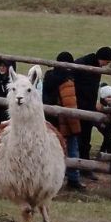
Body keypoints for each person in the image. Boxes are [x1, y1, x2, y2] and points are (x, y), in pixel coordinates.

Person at [43, 51, 85, 191]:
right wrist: (76, 127)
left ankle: (49, 178)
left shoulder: (48, 76)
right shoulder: (67, 81)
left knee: (50, 150)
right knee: (72, 149)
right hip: (64, 122)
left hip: (49, 120)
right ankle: (73, 179)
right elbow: (70, 105)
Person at [74, 46, 111, 163]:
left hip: (87, 106)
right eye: (106, 62)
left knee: (85, 138)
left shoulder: (93, 66)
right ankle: (78, 164)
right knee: (79, 137)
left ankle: (83, 164)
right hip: (80, 106)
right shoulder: (83, 65)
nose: (106, 65)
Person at [96, 84, 111, 156]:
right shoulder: (99, 106)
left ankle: (103, 150)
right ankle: (109, 152)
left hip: (110, 124)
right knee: (108, 135)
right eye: (108, 97)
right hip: (100, 123)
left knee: (108, 135)